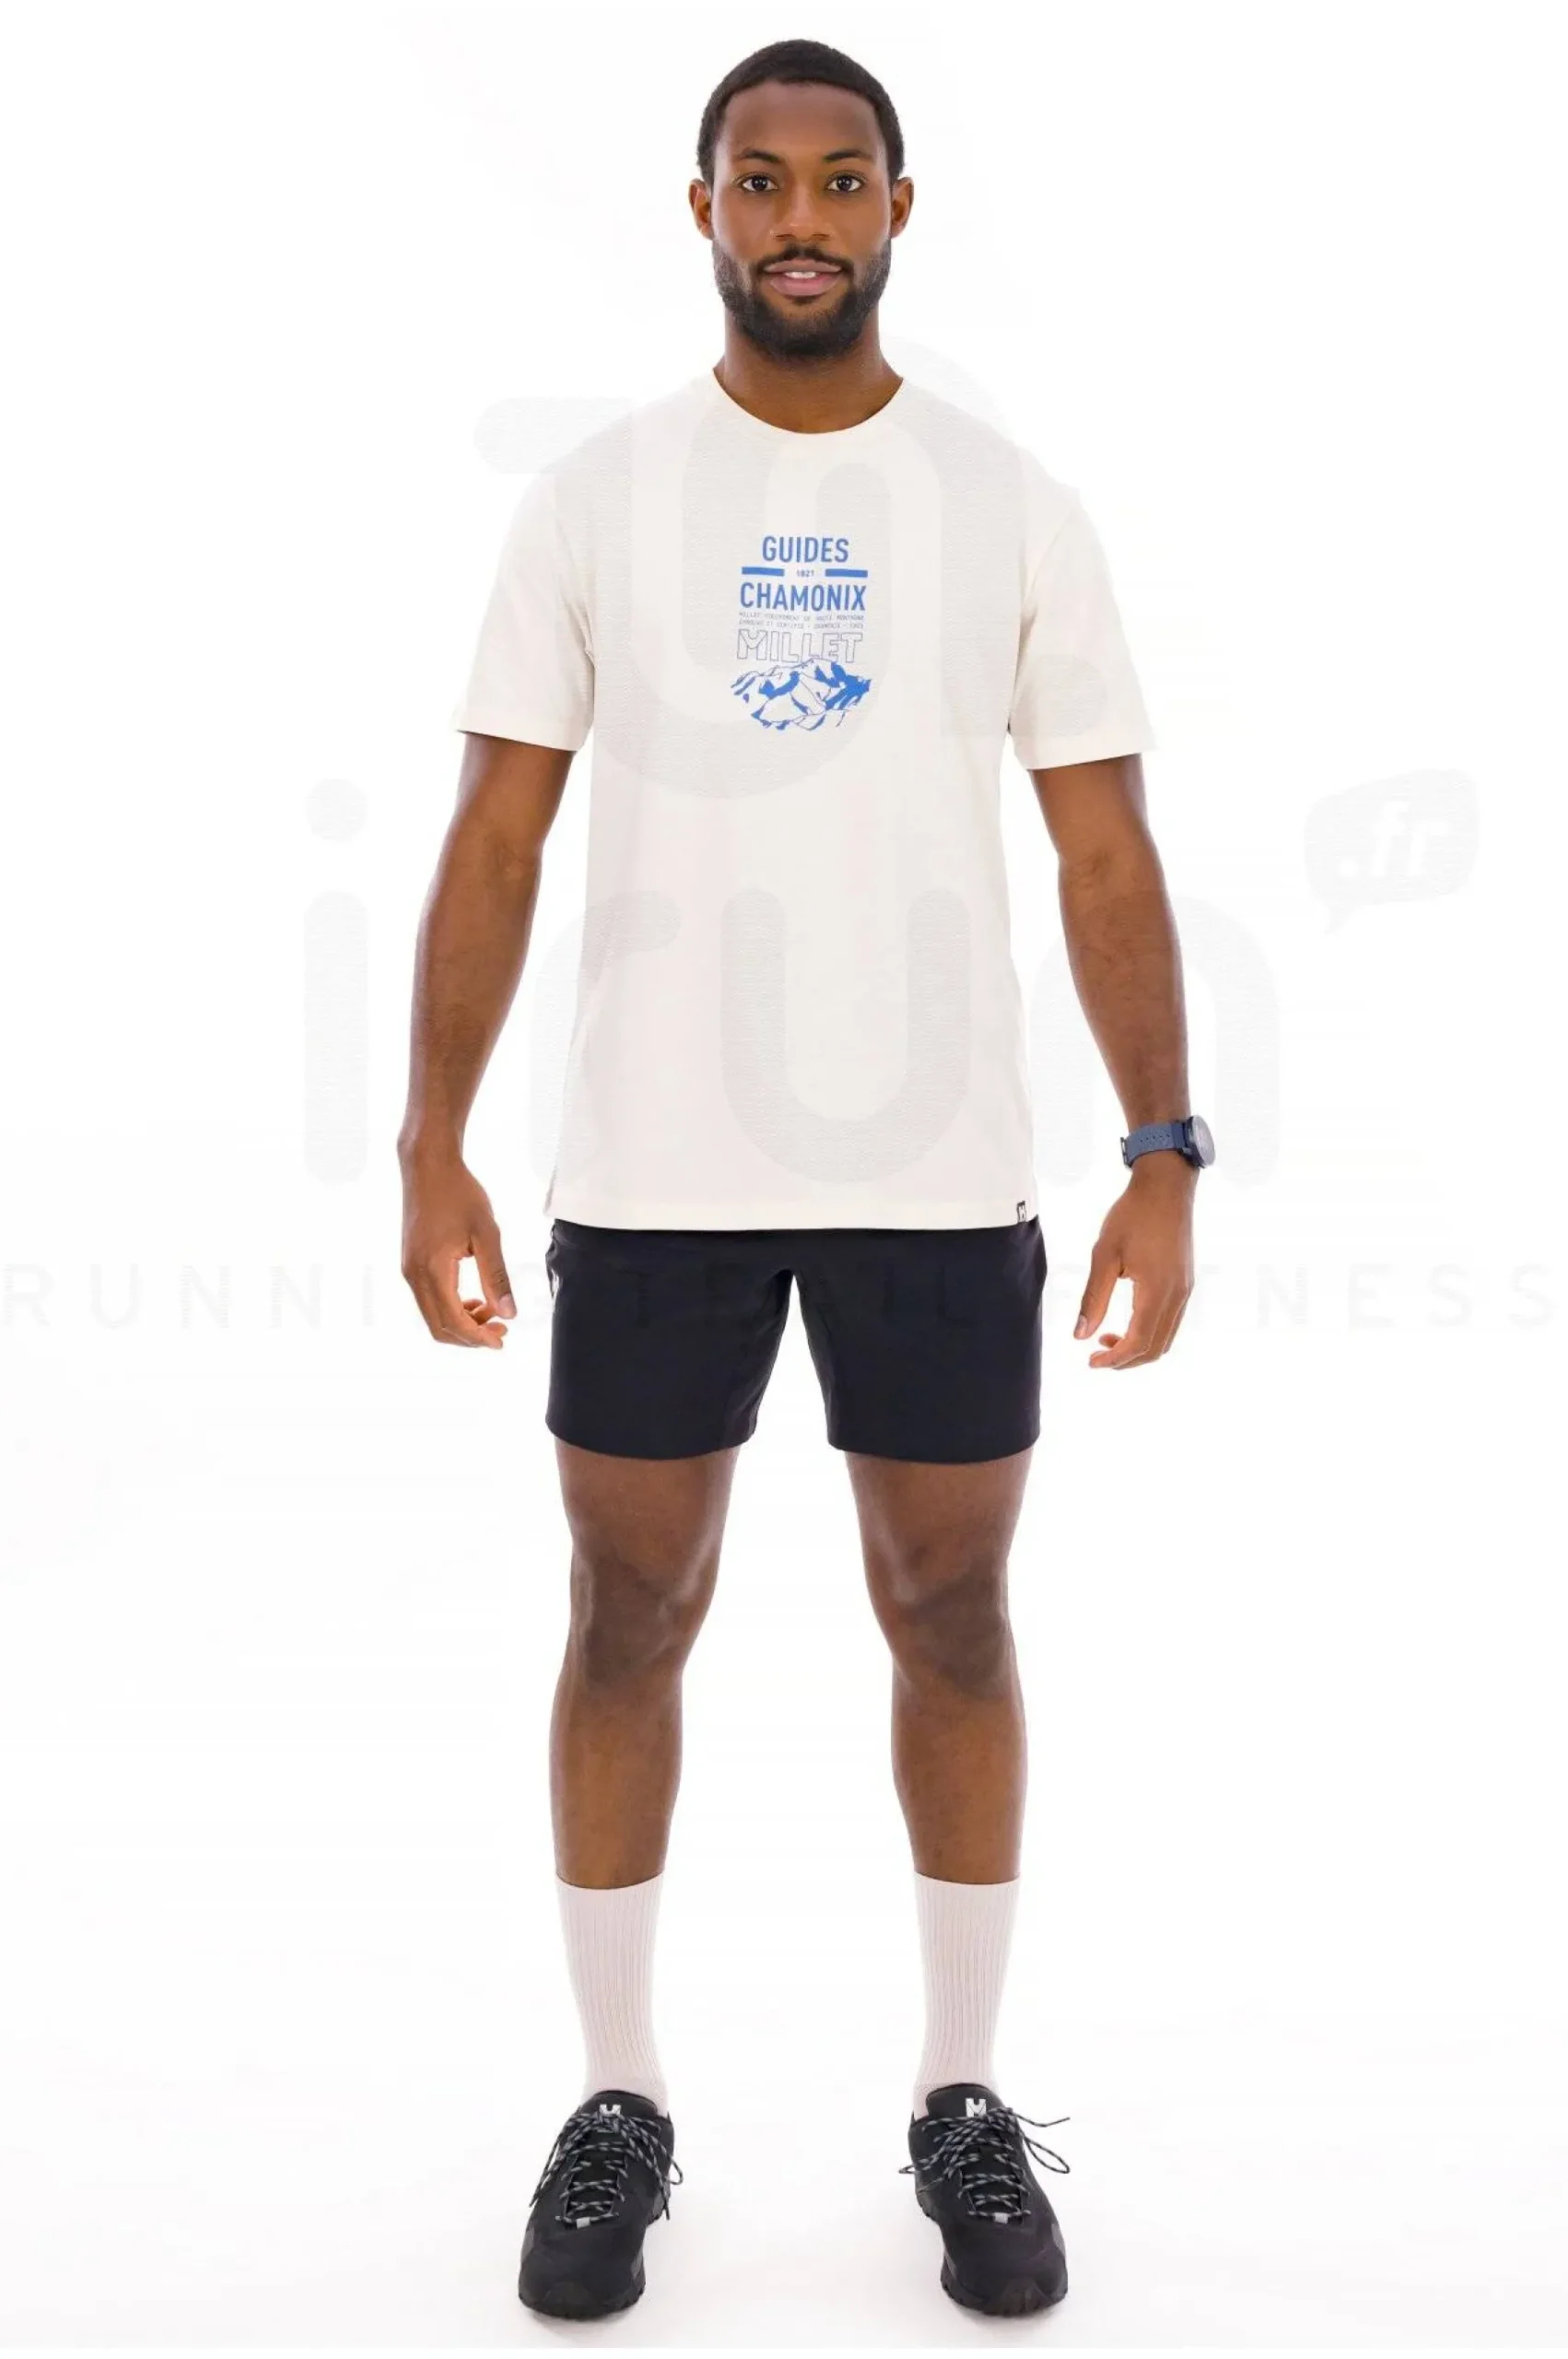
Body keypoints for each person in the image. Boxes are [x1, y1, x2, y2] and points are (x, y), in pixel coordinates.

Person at [398, 35, 1211, 2324]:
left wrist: (1160, 1150)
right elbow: (494, 833)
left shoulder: (1004, 501)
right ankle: (616, 2096)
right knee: (623, 1612)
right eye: (757, 181)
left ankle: (958, 2092)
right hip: (651, 1170)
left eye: (837, 181)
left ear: (896, 207)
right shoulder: (595, 500)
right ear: (700, 209)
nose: (798, 219)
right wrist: (428, 1141)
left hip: (935, 1178)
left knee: (950, 1614)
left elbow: (1102, 848)